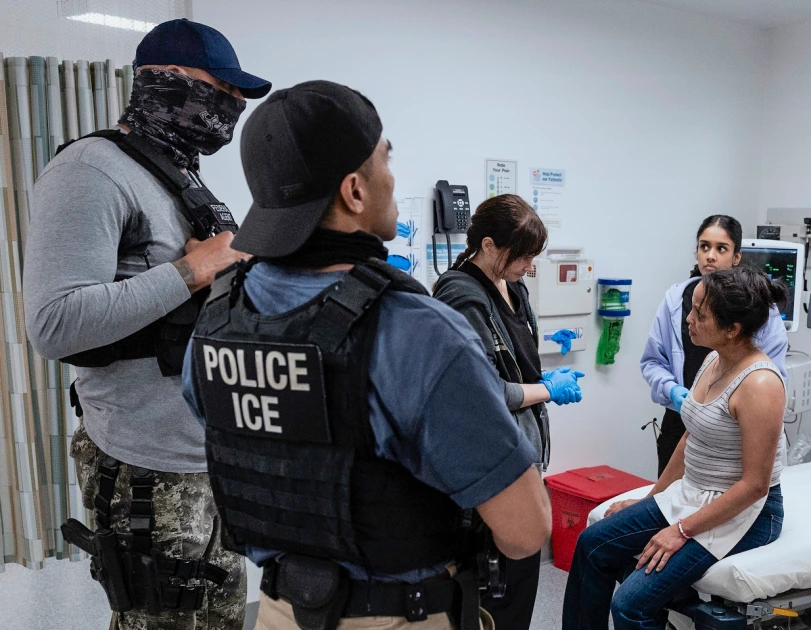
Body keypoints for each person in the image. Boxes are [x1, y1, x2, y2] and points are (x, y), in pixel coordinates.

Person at [180, 80, 552, 630]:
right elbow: (525, 532)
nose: (393, 178)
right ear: (354, 191)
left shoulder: (218, 319)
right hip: (401, 615)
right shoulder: (418, 332)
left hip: (282, 612)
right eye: (386, 160)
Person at [24, 18, 270, 628]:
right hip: (147, 470)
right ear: (168, 79)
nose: (232, 105)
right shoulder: (91, 170)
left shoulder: (176, 173)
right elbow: (54, 324)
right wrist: (191, 270)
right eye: (222, 88)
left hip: (207, 458)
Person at [564, 266, 788, 630]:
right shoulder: (714, 360)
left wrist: (680, 530)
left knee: (630, 605)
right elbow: (690, 436)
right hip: (694, 493)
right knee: (592, 545)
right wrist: (652, 498)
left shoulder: (760, 385)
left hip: (747, 512)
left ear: (732, 329)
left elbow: (755, 486)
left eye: (700, 314)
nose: (689, 320)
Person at [432, 193, 584, 630]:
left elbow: (513, 363)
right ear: (488, 245)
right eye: (522, 256)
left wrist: (545, 372)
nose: (529, 266)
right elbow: (480, 392)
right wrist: (547, 390)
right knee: (493, 594)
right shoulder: (461, 295)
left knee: (521, 583)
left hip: (521, 456)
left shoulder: (513, 285)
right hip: (488, 461)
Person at [641, 215, 789, 476]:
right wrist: (671, 390)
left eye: (721, 248)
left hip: (732, 427)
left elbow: (771, 376)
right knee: (669, 495)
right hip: (681, 418)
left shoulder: (758, 310)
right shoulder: (676, 301)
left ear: (736, 257)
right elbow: (653, 361)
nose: (710, 256)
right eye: (704, 246)